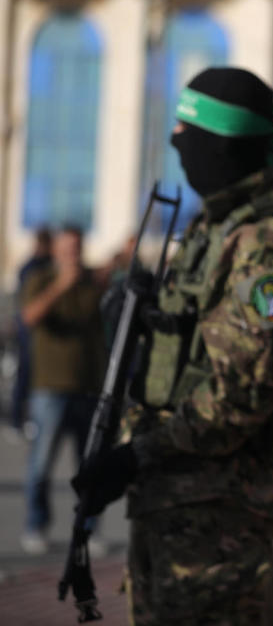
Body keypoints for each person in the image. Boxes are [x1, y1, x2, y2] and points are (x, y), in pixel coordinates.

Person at [72, 67, 273, 625]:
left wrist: (133, 456)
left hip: (219, 525)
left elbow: (238, 400)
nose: (175, 139)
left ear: (218, 143)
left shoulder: (266, 247)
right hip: (174, 509)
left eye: (183, 128)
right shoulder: (213, 230)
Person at [19, 227, 105, 555]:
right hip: (50, 389)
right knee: (41, 464)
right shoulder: (40, 278)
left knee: (90, 466)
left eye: (77, 247)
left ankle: (87, 529)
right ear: (55, 250)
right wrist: (60, 285)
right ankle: (35, 525)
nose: (73, 253)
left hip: (89, 388)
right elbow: (28, 317)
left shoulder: (92, 284)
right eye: (66, 248)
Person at [8, 228, 52, 438]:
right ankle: (17, 420)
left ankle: (30, 419)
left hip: (40, 332)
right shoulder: (31, 268)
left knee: (36, 378)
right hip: (29, 331)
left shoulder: (47, 265)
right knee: (26, 375)